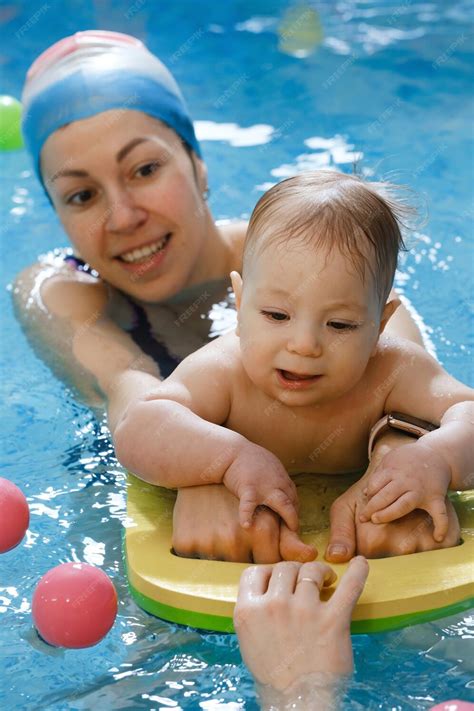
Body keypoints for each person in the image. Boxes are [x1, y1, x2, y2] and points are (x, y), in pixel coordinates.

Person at [15, 30, 460, 565]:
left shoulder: (295, 247)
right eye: (82, 195)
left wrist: (399, 449)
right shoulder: (62, 290)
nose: (125, 217)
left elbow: (399, 357)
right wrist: (206, 469)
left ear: (198, 163)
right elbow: (132, 401)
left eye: (146, 169)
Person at [114, 171, 472, 550]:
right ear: (239, 304)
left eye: (339, 324)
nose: (304, 345)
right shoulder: (224, 371)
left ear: (380, 326)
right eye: (276, 316)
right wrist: (228, 458)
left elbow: (465, 408)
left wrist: (438, 456)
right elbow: (138, 427)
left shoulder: (392, 369)